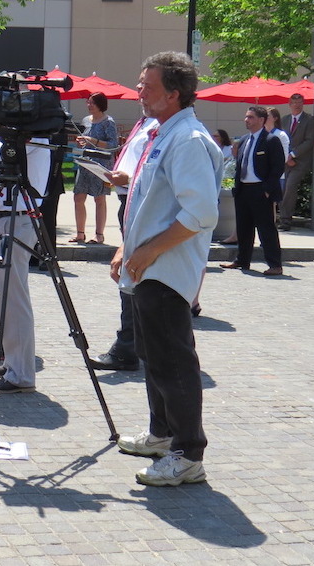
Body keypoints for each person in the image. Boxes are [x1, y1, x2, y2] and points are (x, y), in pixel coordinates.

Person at [112, 51, 221, 487]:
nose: (139, 91)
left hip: (166, 269)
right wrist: (128, 247)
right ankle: (162, 434)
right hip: (148, 266)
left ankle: (187, 453)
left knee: (173, 362)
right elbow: (146, 201)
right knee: (153, 358)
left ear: (174, 94)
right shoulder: (162, 131)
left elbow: (200, 214)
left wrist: (148, 251)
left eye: (148, 85)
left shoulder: (188, 139)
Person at [0, 101, 51, 394]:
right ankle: (12, 361)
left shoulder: (32, 136)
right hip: (4, 218)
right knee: (3, 295)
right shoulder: (17, 136)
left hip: (16, 219)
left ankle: (21, 372)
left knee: (13, 297)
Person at [88, 115, 158, 372]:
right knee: (131, 274)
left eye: (147, 86)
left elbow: (154, 176)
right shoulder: (144, 122)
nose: (140, 91)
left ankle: (128, 346)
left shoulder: (162, 125)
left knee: (132, 274)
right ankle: (133, 343)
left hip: (139, 202)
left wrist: (127, 180)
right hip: (129, 201)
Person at [220, 106, 284, 276]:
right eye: (246, 117)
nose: (246, 120)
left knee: (266, 228)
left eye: (251, 117)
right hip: (243, 189)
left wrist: (267, 190)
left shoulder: (271, 140)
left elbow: (277, 167)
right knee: (243, 227)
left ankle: (275, 264)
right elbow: (240, 165)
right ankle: (242, 260)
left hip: (261, 190)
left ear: (261, 120)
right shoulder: (243, 140)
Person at [70, 93, 118, 245]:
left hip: (101, 163)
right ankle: (80, 233)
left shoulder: (108, 122)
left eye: (92, 103)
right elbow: (85, 140)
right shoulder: (85, 120)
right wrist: (81, 142)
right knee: (78, 197)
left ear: (100, 105)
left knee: (99, 198)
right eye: (88, 102)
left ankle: (99, 234)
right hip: (85, 162)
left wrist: (93, 141)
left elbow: (113, 144)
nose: (89, 105)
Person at [279, 93, 314, 230]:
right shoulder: (285, 120)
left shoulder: (309, 120)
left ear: (303, 103)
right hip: (285, 161)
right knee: (281, 188)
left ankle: (285, 220)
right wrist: (286, 156)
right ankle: (280, 216)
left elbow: (309, 141)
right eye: (294, 103)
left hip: (300, 162)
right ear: (290, 104)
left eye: (300, 102)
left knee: (290, 187)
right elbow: (282, 139)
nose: (297, 105)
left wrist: (293, 155)